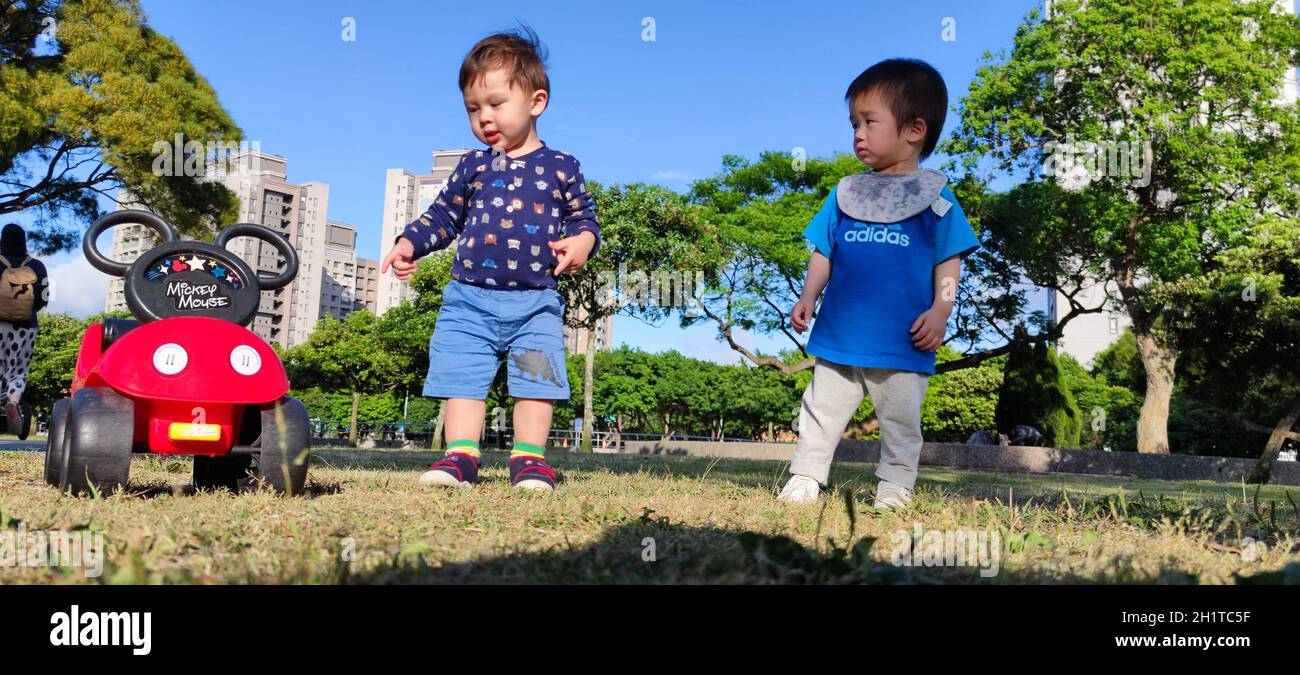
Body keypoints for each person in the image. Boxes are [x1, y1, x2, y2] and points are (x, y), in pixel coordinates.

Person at [380, 26, 600, 491]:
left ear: (535, 102)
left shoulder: (563, 166)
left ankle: (531, 461)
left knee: (535, 382)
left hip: (536, 301)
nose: (484, 117)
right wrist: (409, 242)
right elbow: (443, 216)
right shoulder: (472, 165)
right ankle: (460, 457)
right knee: (462, 378)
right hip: (468, 300)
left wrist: (581, 242)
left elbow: (585, 219)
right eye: (473, 109)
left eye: (496, 104)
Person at [777, 59, 981, 509]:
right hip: (840, 335)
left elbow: (949, 265)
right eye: (854, 123)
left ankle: (894, 487)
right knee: (819, 411)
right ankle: (806, 476)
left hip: (904, 339)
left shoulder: (938, 200)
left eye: (870, 122)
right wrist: (808, 295)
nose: (858, 134)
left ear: (914, 130)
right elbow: (823, 251)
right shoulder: (844, 193)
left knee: (901, 420)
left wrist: (941, 311)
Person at [0, 223, 49, 439]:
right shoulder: (37, 266)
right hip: (25, 327)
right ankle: (12, 402)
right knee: (17, 372)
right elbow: (44, 298)